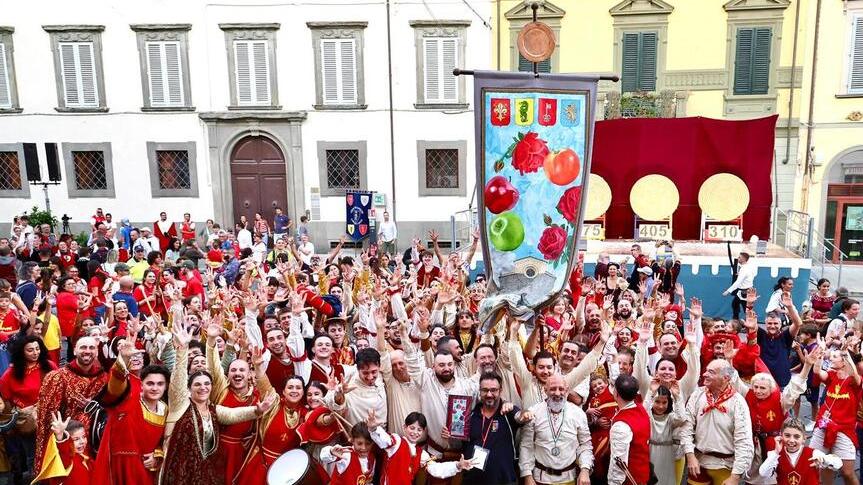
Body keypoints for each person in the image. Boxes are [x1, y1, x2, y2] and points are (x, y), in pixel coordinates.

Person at [161, 319, 274, 485]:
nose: (203, 388)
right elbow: (180, 378)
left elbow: (232, 414)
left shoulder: (213, 410)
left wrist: (257, 410)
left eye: (207, 384)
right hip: (177, 470)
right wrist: (184, 349)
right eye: (197, 384)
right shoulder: (180, 403)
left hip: (207, 468)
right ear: (189, 388)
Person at [92, 329, 170, 485]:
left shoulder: (165, 409)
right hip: (120, 467)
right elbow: (115, 386)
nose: (154, 388)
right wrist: (123, 359)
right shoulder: (127, 398)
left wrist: (158, 455)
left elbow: (166, 440)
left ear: (166, 386)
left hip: (147, 471)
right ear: (141, 385)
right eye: (150, 383)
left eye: (160, 384)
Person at [34, 336, 107, 473]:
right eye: (83, 347)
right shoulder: (57, 377)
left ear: (97, 352)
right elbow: (46, 418)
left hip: (95, 443)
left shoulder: (103, 378)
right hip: (66, 442)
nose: (87, 351)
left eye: (91, 348)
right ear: (74, 351)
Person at [681, 358, 754, 485]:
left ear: (725, 378)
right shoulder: (697, 394)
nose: (705, 374)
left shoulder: (738, 402)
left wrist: (735, 476)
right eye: (706, 370)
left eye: (711, 372)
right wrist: (690, 456)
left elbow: (744, 441)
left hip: (725, 467)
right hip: (698, 464)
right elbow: (686, 428)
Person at [519, 373, 593, 485]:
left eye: (561, 389)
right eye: (553, 389)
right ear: (545, 390)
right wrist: (527, 476)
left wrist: (585, 469)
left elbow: (585, 445)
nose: (557, 393)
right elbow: (526, 446)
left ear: (567, 390)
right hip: (540, 479)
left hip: (569, 479)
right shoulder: (534, 412)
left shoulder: (578, 413)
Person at [0, 335, 56, 483]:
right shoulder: (12, 372)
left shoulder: (49, 365)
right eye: (30, 350)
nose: (35, 352)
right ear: (22, 352)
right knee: (33, 455)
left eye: (37, 349)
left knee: (52, 451)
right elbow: (5, 396)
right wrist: (21, 406)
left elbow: (59, 386)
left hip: (51, 417)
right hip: (28, 421)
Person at [459, 372, 533, 485]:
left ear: (500, 390)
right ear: (479, 390)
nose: (489, 394)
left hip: (504, 481)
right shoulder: (470, 415)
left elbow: (520, 416)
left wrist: (526, 414)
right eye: (485, 390)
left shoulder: (508, 411)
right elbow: (461, 444)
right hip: (472, 481)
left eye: (493, 390)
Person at [370, 411, 473, 485]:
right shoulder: (396, 441)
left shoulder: (421, 454)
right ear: (404, 427)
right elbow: (384, 440)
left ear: (423, 431)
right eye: (412, 428)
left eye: (419, 429)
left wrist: (458, 465)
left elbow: (436, 469)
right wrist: (374, 428)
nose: (415, 432)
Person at [809, 345, 861, 485]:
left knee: (847, 473)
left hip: (844, 430)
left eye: (835, 356)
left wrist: (846, 353)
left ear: (844, 361)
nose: (831, 358)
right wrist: (819, 356)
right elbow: (817, 371)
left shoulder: (854, 381)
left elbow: (855, 375)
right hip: (824, 426)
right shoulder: (831, 375)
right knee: (821, 463)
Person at [758, 417, 842, 484]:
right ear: (781, 436)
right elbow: (763, 473)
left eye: (796, 436)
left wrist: (825, 460)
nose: (791, 440)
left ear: (804, 438)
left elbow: (838, 464)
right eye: (787, 435)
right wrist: (776, 452)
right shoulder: (775, 455)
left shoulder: (813, 453)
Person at [608, 373, 650, 485]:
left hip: (630, 481)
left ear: (616, 393)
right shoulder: (641, 408)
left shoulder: (621, 426)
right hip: (643, 475)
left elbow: (618, 463)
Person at [32, 413, 92, 484]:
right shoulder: (66, 460)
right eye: (76, 439)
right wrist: (60, 436)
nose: (82, 441)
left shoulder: (85, 456)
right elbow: (62, 452)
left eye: (84, 436)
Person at [723, 251, 756, 321]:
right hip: (745, 291)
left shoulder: (744, 269)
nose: (738, 258)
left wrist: (728, 291)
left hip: (745, 292)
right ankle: (736, 320)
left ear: (743, 259)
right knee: (735, 304)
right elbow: (749, 276)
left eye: (739, 257)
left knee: (746, 309)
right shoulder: (748, 267)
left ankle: (749, 323)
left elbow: (738, 282)